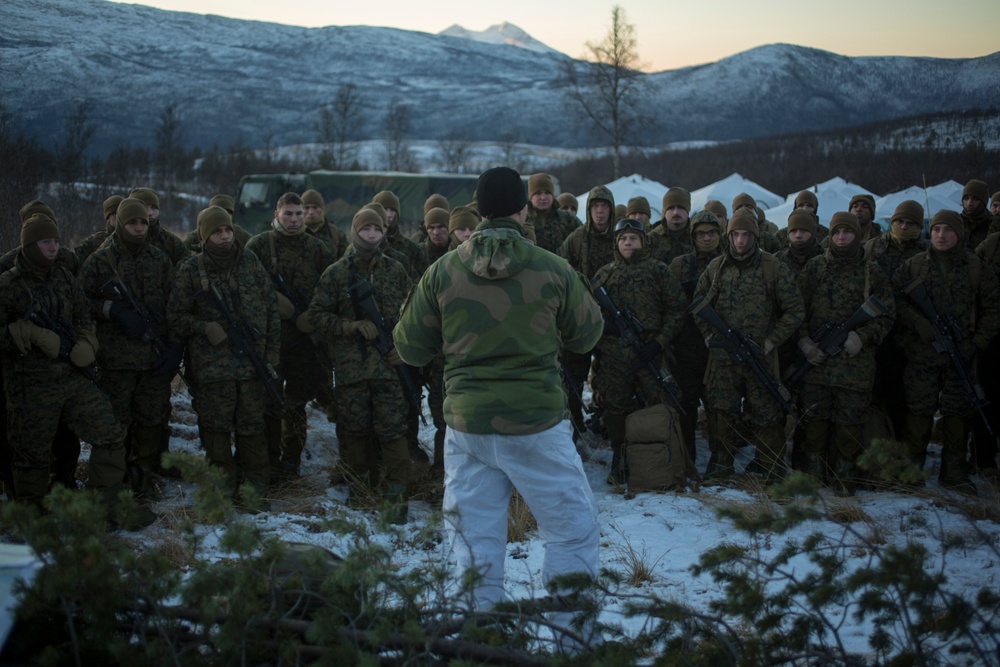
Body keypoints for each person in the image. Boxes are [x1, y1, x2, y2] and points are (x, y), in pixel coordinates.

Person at [392, 167, 603, 643]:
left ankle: (475, 641)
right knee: (571, 534)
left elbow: (408, 347)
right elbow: (589, 332)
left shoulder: (442, 270)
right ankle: (572, 642)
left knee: (473, 542)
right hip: (536, 424)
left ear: (478, 211)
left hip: (467, 427)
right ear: (523, 208)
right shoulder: (552, 267)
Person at [0, 214, 155, 529]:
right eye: (46, 242)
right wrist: (29, 333)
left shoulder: (64, 278)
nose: (54, 247)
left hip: (71, 376)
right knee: (32, 456)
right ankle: (33, 523)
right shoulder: (9, 285)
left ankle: (106, 508)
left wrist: (87, 342)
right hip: (30, 385)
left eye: (56, 241)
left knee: (110, 432)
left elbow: (83, 315)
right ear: (29, 244)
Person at [167, 205, 280, 506]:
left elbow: (271, 308)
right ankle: (222, 490)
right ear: (205, 235)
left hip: (252, 366)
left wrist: (270, 355)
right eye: (217, 231)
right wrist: (204, 327)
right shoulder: (191, 270)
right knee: (216, 432)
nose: (224, 235)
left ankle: (254, 490)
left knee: (253, 430)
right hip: (213, 370)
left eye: (228, 229)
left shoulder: (250, 262)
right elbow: (175, 318)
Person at [306, 207, 412, 522]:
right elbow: (316, 316)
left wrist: (404, 350)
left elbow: (414, 316)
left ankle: (396, 501)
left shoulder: (396, 270)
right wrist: (351, 326)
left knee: (393, 434)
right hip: (352, 372)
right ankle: (361, 493)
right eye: (365, 229)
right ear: (355, 231)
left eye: (377, 229)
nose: (371, 235)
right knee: (355, 433)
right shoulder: (337, 273)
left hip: (389, 370)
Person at [693, 208, 805, 484]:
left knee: (767, 414)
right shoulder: (716, 268)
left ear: (755, 236)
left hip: (760, 358)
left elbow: (795, 311)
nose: (740, 241)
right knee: (721, 413)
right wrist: (710, 336)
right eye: (735, 234)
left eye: (745, 235)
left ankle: (772, 470)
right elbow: (698, 306)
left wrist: (770, 341)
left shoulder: (772, 267)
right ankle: (721, 466)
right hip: (723, 359)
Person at [894, 210, 1000, 493]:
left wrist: (975, 344)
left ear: (960, 234)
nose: (941, 235)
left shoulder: (977, 268)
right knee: (918, 412)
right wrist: (917, 322)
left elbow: (993, 311)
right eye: (937, 229)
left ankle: (954, 472)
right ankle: (911, 470)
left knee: (957, 414)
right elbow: (894, 300)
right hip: (922, 355)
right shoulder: (914, 266)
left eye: (948, 230)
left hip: (961, 356)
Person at [78, 197, 178, 494]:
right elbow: (80, 302)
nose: (138, 228)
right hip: (115, 362)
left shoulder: (160, 260)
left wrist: (175, 348)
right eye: (132, 222)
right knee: (114, 424)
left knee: (151, 422)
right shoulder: (100, 260)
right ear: (120, 223)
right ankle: (112, 486)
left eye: (143, 223)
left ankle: (141, 479)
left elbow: (176, 306)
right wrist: (113, 311)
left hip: (153, 359)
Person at [794, 212, 895, 494]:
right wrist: (804, 342)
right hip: (818, 364)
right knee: (814, 424)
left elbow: (887, 315)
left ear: (857, 235)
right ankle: (813, 477)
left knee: (850, 427)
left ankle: (844, 479)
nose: (841, 238)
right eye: (836, 232)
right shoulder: (815, 268)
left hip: (854, 367)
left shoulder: (871, 272)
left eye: (847, 232)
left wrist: (862, 337)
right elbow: (796, 309)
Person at [245, 192, 336, 478]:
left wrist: (315, 316)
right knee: (267, 403)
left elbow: (332, 287)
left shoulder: (316, 248)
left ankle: (291, 461)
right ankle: (267, 461)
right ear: (276, 215)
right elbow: (244, 289)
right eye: (289, 214)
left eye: (299, 214)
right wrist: (273, 299)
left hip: (303, 342)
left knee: (296, 404)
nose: (295, 219)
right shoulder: (259, 246)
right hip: (268, 340)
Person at [592, 217, 687, 483]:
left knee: (660, 405)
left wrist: (659, 342)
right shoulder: (605, 274)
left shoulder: (658, 271)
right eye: (623, 239)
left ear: (643, 242)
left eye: (633, 238)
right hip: (614, 359)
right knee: (615, 409)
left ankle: (661, 463)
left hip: (651, 353)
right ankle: (620, 461)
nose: (628, 242)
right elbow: (588, 312)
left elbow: (677, 309)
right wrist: (607, 328)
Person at [864, 200, 928, 437]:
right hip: (876, 336)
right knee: (873, 395)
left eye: (910, 223)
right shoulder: (872, 248)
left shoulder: (925, 254)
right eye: (899, 221)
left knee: (902, 399)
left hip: (910, 339)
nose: (903, 226)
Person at [559, 185, 616, 439]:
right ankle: (574, 423)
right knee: (574, 372)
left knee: (610, 373)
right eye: (595, 207)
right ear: (589, 209)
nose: (600, 212)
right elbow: (560, 270)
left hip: (613, 318)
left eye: (604, 207)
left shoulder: (619, 237)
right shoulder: (577, 238)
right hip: (581, 316)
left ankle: (607, 421)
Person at [669, 210, 724, 464]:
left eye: (712, 232)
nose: (707, 237)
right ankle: (686, 458)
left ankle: (720, 460)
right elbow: (669, 304)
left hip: (719, 348)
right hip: (686, 348)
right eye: (701, 233)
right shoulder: (680, 264)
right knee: (686, 407)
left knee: (719, 408)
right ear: (693, 236)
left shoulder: (728, 262)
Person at [974, 230, 1000, 481]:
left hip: (985, 337)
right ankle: (984, 459)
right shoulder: (992, 244)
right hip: (991, 341)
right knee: (988, 397)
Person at [128, 187, 189, 265]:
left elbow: (187, 267)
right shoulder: (119, 241)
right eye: (144, 208)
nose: (150, 213)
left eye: (153, 208)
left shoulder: (171, 242)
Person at [523, 173, 578, 253]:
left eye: (547, 193)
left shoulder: (567, 218)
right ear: (530, 196)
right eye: (538, 193)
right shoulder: (522, 218)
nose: (543, 198)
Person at [183, 194, 251, 254]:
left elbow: (254, 247)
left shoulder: (239, 233)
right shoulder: (198, 235)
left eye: (228, 213)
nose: (224, 236)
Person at [649, 187, 693, 266]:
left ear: (688, 210)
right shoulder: (652, 239)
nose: (676, 212)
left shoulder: (698, 236)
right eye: (671, 208)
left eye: (680, 207)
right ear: (664, 211)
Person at [301, 188, 348, 259]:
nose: (311, 212)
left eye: (315, 207)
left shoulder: (336, 235)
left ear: (322, 209)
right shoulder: (295, 234)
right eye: (306, 208)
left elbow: (346, 262)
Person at [75, 194, 122, 264]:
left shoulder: (134, 237)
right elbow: (76, 262)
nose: (119, 216)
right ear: (108, 218)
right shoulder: (95, 241)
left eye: (122, 213)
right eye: (115, 213)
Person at [961, 179, 993, 249]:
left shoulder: (993, 225)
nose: (969, 203)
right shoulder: (956, 222)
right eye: (966, 198)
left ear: (983, 201)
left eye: (975, 199)